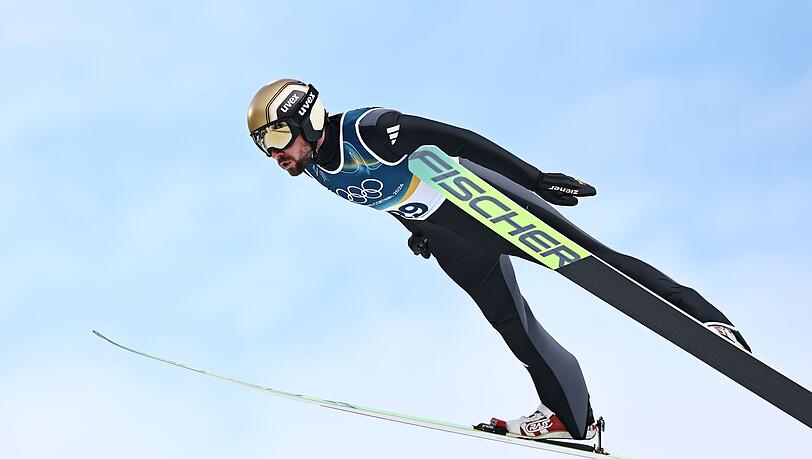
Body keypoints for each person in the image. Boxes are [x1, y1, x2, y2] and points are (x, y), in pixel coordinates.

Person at [246, 78, 751, 441]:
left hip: (479, 203)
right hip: (448, 236)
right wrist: (416, 230)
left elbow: (457, 140)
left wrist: (533, 179)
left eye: (274, 140)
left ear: (305, 120)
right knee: (512, 324)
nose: (275, 156)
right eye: (264, 147)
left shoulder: (371, 129)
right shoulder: (314, 168)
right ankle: (568, 418)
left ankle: (706, 320)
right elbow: (382, 192)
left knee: (597, 263)